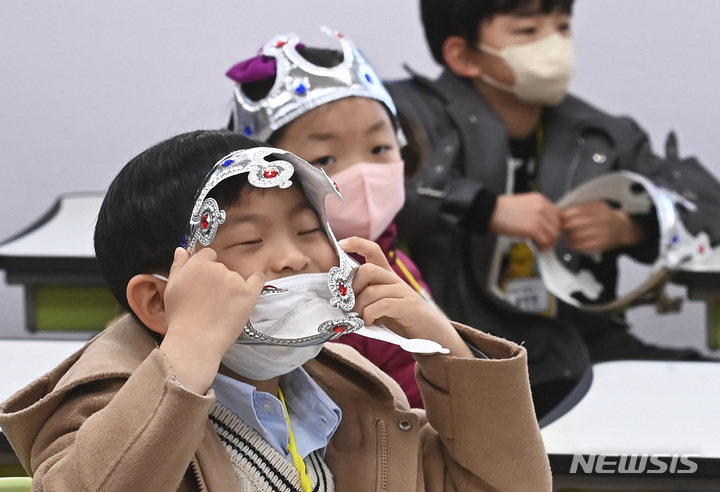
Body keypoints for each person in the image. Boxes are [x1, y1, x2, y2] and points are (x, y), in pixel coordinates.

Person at [0, 130, 552, 491]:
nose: (292, 257)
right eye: (247, 242)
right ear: (157, 300)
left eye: (310, 230)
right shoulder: (97, 409)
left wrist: (450, 353)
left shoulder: (353, 402)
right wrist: (189, 347)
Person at [384, 0, 720, 417]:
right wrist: (484, 208)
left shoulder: (599, 133)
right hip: (459, 359)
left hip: (583, 350)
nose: (555, 43)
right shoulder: (393, 116)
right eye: (528, 31)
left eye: (562, 27)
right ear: (463, 55)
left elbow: (708, 209)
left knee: (705, 397)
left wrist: (634, 224)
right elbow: (352, 191)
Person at [226, 28, 431, 408]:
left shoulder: (397, 259)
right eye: (324, 159)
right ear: (269, 173)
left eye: (379, 147)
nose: (364, 173)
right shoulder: (288, 294)